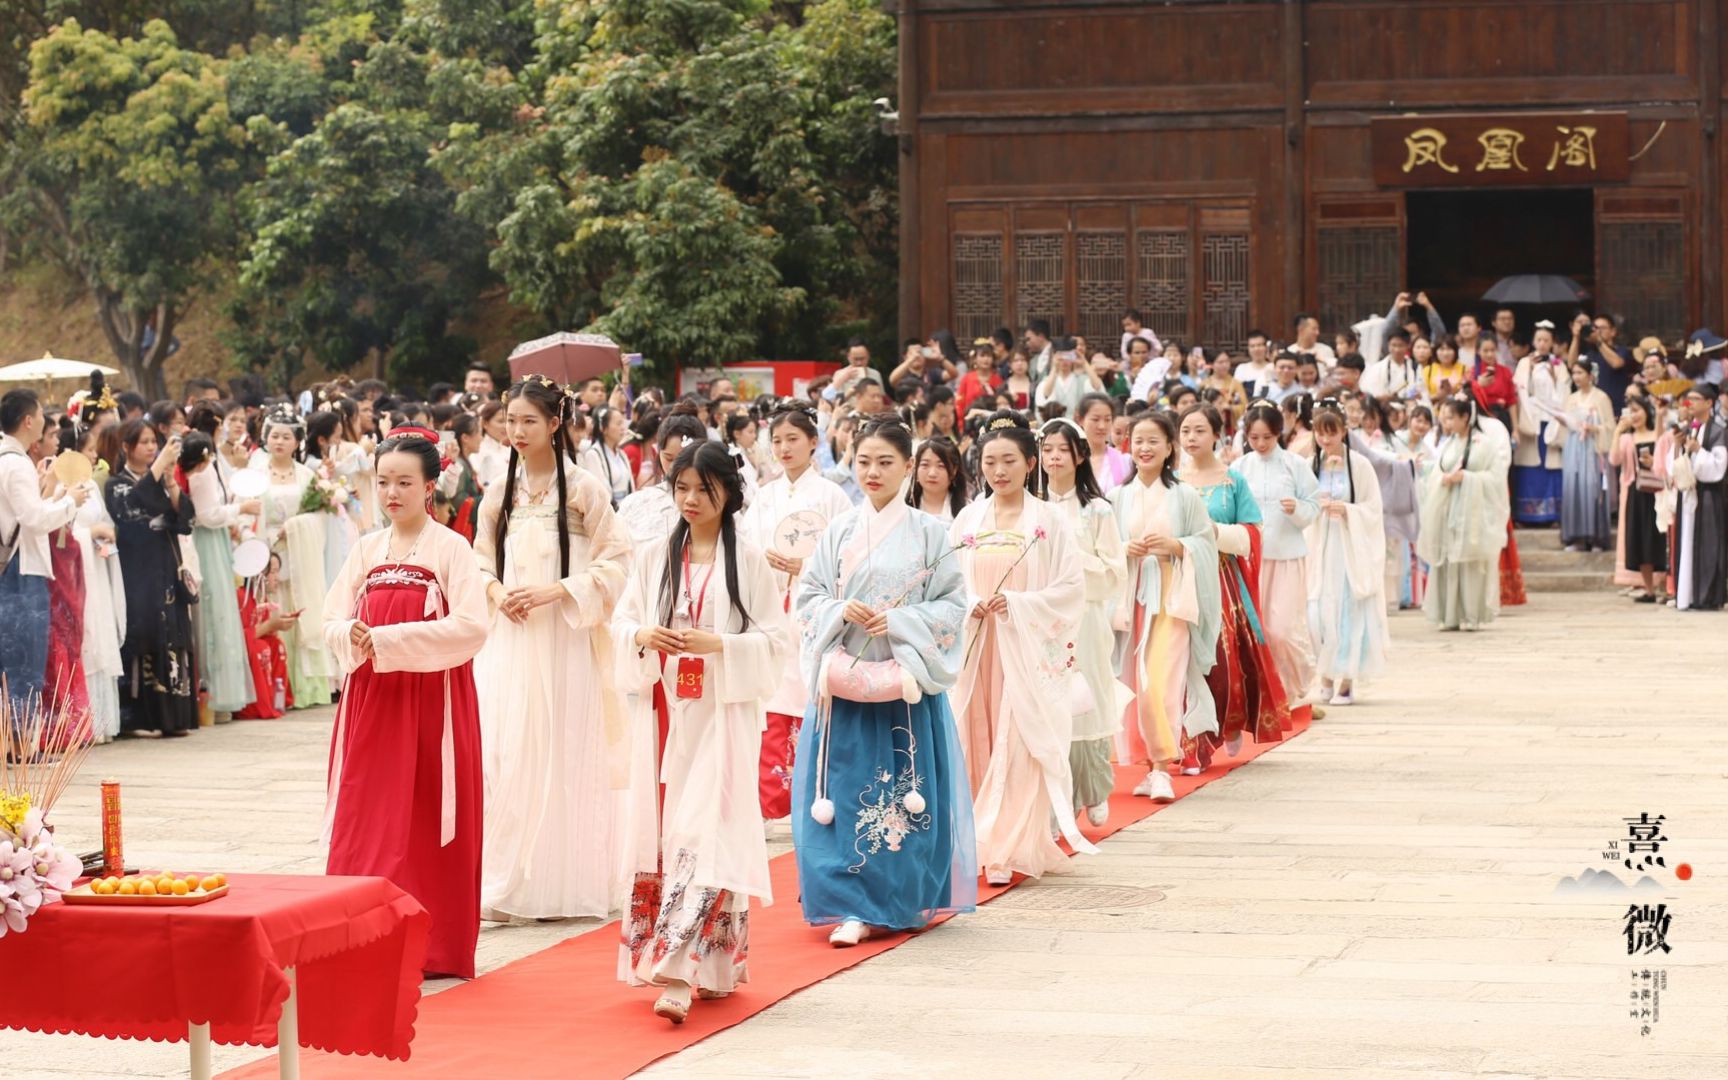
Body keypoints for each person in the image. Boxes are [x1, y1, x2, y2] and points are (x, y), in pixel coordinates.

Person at [614, 442, 791, 1023]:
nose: (690, 500)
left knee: (706, 830)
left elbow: (777, 640)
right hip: (667, 711)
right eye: (682, 489)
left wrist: (721, 645)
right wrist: (644, 635)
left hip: (724, 713)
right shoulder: (654, 557)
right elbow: (623, 620)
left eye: (704, 490)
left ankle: (677, 972)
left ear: (729, 494)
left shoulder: (751, 562)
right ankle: (714, 964)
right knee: (674, 831)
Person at [790, 416, 976, 946]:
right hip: (847, 681)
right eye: (863, 460)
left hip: (902, 687)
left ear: (909, 466)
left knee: (901, 791)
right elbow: (808, 600)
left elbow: (952, 606)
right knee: (844, 788)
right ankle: (847, 901)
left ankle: (896, 897)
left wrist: (897, 621)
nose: (872, 471)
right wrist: (838, 610)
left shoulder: (930, 533)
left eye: (885, 462)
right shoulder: (839, 531)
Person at [322, 429, 490, 979]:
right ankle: (358, 939)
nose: (391, 493)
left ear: (430, 486)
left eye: (404, 482)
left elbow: (470, 627)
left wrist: (391, 641)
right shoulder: (366, 548)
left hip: (432, 704)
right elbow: (329, 619)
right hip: (373, 701)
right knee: (367, 817)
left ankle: (429, 945)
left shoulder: (451, 548)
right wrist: (352, 632)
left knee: (423, 820)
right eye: (383, 482)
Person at [473, 377, 633, 921]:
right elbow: (478, 563)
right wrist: (496, 593)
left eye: (529, 422)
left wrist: (558, 590)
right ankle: (510, 882)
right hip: (514, 640)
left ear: (555, 424)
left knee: (565, 748)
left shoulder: (585, 488)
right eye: (510, 421)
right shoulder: (498, 491)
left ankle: (562, 884)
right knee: (510, 747)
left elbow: (617, 561)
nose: (516, 431)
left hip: (566, 637)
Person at [948, 414, 1096, 886]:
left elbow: (1071, 589)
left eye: (1009, 460)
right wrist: (971, 604)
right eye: (989, 461)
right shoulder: (968, 519)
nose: (999, 470)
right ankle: (974, 840)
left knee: (1019, 739)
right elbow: (947, 585)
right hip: (976, 648)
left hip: (1023, 647)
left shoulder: (1049, 521)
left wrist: (1016, 604)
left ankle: (1007, 846)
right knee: (975, 734)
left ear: (1031, 463)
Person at [742, 405, 854, 820]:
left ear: (813, 442)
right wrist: (763, 562)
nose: (784, 448)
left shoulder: (832, 496)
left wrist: (804, 568)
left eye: (793, 439)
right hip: (770, 608)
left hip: (811, 614)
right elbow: (746, 547)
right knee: (772, 697)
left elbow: (848, 557)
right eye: (777, 441)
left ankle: (814, 797)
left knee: (810, 693)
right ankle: (770, 803)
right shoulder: (765, 496)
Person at [1109, 411, 1220, 799]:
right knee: (1134, 683)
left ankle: (1162, 767)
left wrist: (1177, 546)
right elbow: (1104, 547)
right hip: (1130, 597)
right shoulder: (1117, 497)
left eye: (1154, 440)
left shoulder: (1184, 495)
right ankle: (1146, 764)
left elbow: (1205, 543)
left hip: (1172, 598)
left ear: (1170, 447)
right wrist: (1125, 549)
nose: (1144, 448)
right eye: (1138, 440)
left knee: (1161, 681)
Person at [1178, 405, 1292, 758]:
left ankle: (1226, 722)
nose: (1191, 438)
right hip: (1180, 576)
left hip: (1221, 577)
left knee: (1221, 658)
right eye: (1185, 431)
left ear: (1216, 434)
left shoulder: (1232, 480)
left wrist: (1215, 533)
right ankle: (1192, 738)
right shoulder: (1173, 479)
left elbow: (1253, 532)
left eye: (1199, 430)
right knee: (1181, 659)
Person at [1038, 418, 1127, 827]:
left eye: (1061, 449)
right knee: (1047, 702)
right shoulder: (1030, 508)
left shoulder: (1097, 511)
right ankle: (1057, 799)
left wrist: (1074, 561)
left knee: (1088, 700)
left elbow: (1113, 572)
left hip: (1086, 618)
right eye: (1046, 449)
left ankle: (1093, 787)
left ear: (1078, 454)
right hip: (1041, 619)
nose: (1053, 457)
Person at [106, 419, 196, 736]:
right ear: (127, 447)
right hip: (136, 570)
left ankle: (174, 717)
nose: (150, 448)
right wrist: (157, 469)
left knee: (171, 636)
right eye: (143, 442)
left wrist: (170, 482)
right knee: (142, 637)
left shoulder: (159, 480)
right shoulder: (116, 483)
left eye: (153, 442)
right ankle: (140, 717)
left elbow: (185, 521)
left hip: (166, 567)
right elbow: (129, 512)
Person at [0, 389, 84, 722]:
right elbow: (33, 520)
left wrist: (61, 498)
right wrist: (70, 502)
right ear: (28, 420)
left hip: (10, 564)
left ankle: (12, 743)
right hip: (22, 569)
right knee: (25, 661)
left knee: (11, 660)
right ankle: (20, 747)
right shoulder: (17, 464)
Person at [1231, 403, 1319, 706]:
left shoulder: (1295, 464)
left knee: (1282, 628)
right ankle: (1273, 691)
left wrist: (1298, 509)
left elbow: (1314, 504)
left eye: (1266, 437)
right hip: (1252, 558)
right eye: (1254, 437)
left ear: (1278, 433)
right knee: (1261, 628)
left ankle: (1297, 682)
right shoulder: (1240, 467)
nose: (1260, 444)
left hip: (1287, 556)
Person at [1303, 407, 1388, 706]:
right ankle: (1325, 675)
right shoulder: (1310, 464)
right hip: (1318, 545)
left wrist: (1348, 510)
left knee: (1347, 612)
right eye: (1320, 433)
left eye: (1332, 432)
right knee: (1316, 614)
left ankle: (1347, 680)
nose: (1326, 439)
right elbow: (1303, 504)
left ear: (1343, 431)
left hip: (1349, 548)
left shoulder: (1360, 465)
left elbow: (1373, 507)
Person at [256, 406, 335, 708]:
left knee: (297, 606)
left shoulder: (307, 476)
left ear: (297, 441)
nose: (279, 441)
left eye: (286, 436)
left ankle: (303, 688)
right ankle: (275, 684)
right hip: (266, 547)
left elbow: (319, 518)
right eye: (274, 435)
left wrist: (295, 527)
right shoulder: (255, 475)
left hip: (298, 551)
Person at [183, 433, 260, 716]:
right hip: (207, 540)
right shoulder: (201, 475)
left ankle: (218, 694)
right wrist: (241, 509)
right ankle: (214, 691)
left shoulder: (205, 472)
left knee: (219, 610)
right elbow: (207, 515)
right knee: (215, 611)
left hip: (214, 539)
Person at [1418, 398, 1510, 632]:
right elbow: (1438, 471)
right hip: (1448, 509)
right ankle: (1448, 615)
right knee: (1448, 560)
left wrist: (1467, 479)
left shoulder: (1483, 444)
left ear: (1465, 418)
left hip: (1472, 513)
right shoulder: (1448, 444)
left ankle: (1471, 614)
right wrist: (1441, 478)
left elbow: (1496, 478)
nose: (1445, 422)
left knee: (1470, 563)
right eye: (1444, 417)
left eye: (1450, 417)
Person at [63, 425, 124, 742]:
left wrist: (106, 544)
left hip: (96, 566)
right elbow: (62, 532)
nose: (94, 456)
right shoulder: (60, 486)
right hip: (74, 569)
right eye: (88, 451)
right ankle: (81, 722)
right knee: (85, 635)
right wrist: (90, 535)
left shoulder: (91, 486)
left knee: (101, 632)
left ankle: (103, 722)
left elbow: (105, 523)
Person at [1673, 385, 1727, 610]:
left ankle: (1708, 596)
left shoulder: (1718, 431)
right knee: (1687, 544)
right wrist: (1679, 447)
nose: (1690, 403)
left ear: (1709, 403)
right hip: (1689, 494)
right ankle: (1689, 595)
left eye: (1695, 399)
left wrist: (1697, 451)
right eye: (1688, 400)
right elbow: (1675, 463)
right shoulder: (1688, 429)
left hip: (1709, 495)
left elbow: (1719, 467)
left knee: (1709, 545)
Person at [617, 412, 708, 544]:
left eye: (682, 459)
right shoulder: (635, 503)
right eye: (668, 458)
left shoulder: (713, 502)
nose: (674, 466)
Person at [1511, 329, 1570, 525]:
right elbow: (1519, 389)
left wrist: (1553, 376)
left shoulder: (1558, 364)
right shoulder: (1524, 362)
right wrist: (1528, 371)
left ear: (1552, 342)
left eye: (1546, 340)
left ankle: (1554, 514)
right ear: (1533, 341)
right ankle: (1526, 515)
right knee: (1530, 466)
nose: (1543, 343)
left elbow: (1564, 390)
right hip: (1532, 418)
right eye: (1539, 339)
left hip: (1551, 419)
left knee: (1552, 466)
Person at [1610, 397, 1666, 601]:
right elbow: (1614, 459)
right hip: (1637, 492)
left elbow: (1663, 449)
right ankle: (1649, 589)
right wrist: (1617, 432)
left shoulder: (1655, 433)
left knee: (1659, 537)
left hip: (1657, 490)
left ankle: (1664, 586)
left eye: (1638, 410)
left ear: (1646, 411)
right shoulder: (1627, 439)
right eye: (1631, 411)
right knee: (1640, 539)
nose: (1634, 415)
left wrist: (1653, 462)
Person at [1558, 361, 1615, 552]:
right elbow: (1568, 423)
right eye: (1574, 373)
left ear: (1590, 375)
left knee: (1592, 488)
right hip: (1575, 447)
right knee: (1574, 488)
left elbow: (1610, 427)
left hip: (1592, 448)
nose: (1576, 377)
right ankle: (1576, 538)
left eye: (1580, 372)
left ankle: (1596, 538)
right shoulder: (1571, 398)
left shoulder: (1601, 398)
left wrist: (1594, 428)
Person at [579, 405, 635, 508]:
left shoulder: (622, 454)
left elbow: (631, 486)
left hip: (626, 510)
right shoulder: (593, 454)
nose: (623, 428)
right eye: (618, 424)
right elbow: (601, 492)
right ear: (603, 428)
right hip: (610, 511)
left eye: (623, 423)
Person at [1075, 392, 1130, 492]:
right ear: (1081, 420)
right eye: (1095, 419)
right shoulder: (1071, 459)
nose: (1102, 426)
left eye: (1107, 419)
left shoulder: (1125, 461)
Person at [908, 437, 967, 522]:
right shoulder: (903, 511)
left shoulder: (968, 511)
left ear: (954, 470)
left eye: (941, 466)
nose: (932, 473)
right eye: (925, 465)